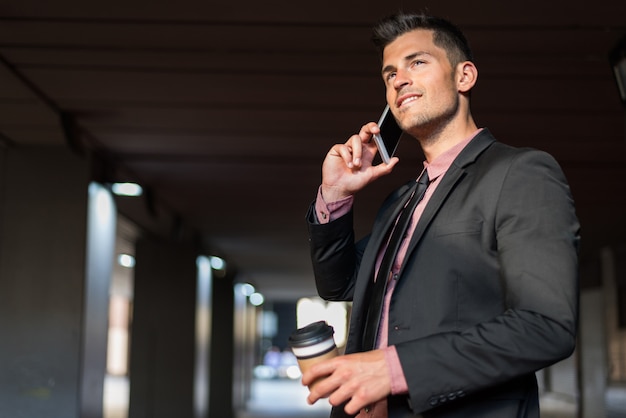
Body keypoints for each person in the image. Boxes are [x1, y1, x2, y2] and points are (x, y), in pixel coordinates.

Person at [303, 12, 580, 418]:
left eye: (417, 63)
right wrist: (335, 195)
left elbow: (546, 326)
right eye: (389, 74)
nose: (398, 80)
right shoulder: (398, 202)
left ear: (464, 76)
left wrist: (392, 370)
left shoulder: (521, 173)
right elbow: (339, 283)